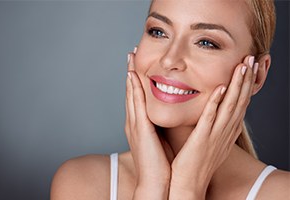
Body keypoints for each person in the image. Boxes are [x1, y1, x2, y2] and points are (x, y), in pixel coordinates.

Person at [50, 0, 290, 199]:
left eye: (206, 43)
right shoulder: (83, 184)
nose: (169, 59)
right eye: (158, 32)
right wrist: (151, 187)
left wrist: (187, 188)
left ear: (257, 75)